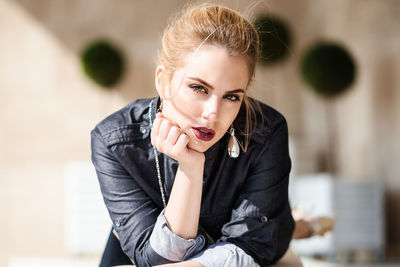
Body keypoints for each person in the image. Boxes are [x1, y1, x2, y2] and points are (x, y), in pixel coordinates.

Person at [91, 4, 295, 267]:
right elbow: (154, 259)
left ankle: (301, 223)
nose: (213, 113)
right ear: (163, 81)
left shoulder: (265, 132)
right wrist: (191, 167)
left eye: (232, 96)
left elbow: (251, 245)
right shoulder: (114, 141)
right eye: (199, 88)